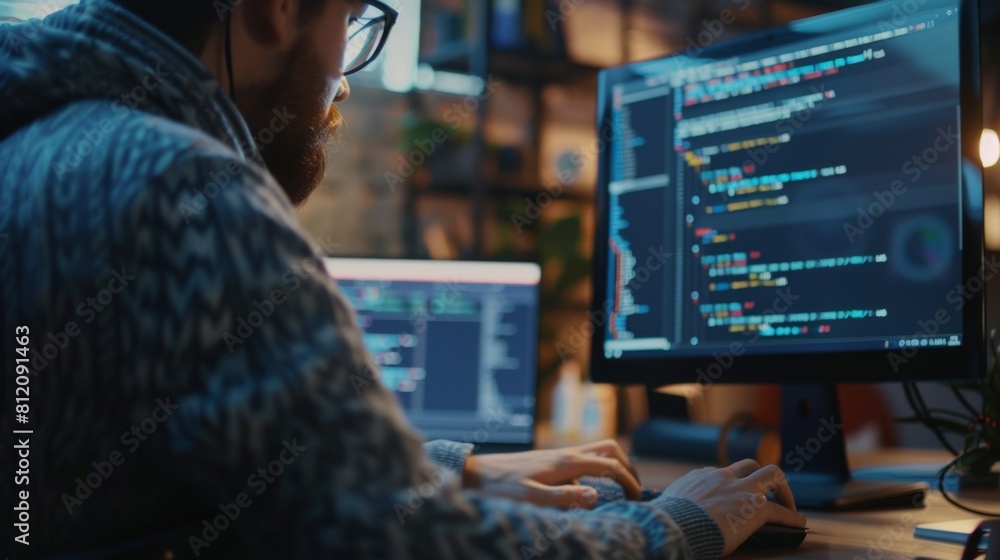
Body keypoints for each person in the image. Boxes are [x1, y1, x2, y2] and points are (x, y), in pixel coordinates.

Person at [0, 0, 807, 558]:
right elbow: (410, 547)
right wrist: (681, 523)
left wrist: (445, 468)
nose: (345, 79)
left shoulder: (35, 148)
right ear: (276, 8)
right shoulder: (186, 188)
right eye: (352, 23)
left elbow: (204, 465)